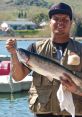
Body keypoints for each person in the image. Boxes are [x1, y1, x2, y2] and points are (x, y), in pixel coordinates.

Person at [6, 2, 82, 117]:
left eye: (65, 19)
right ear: (49, 22)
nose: (60, 22)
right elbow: (17, 77)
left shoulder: (80, 50)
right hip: (43, 113)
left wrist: (76, 89)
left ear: (71, 23)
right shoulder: (34, 48)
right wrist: (13, 54)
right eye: (56, 19)